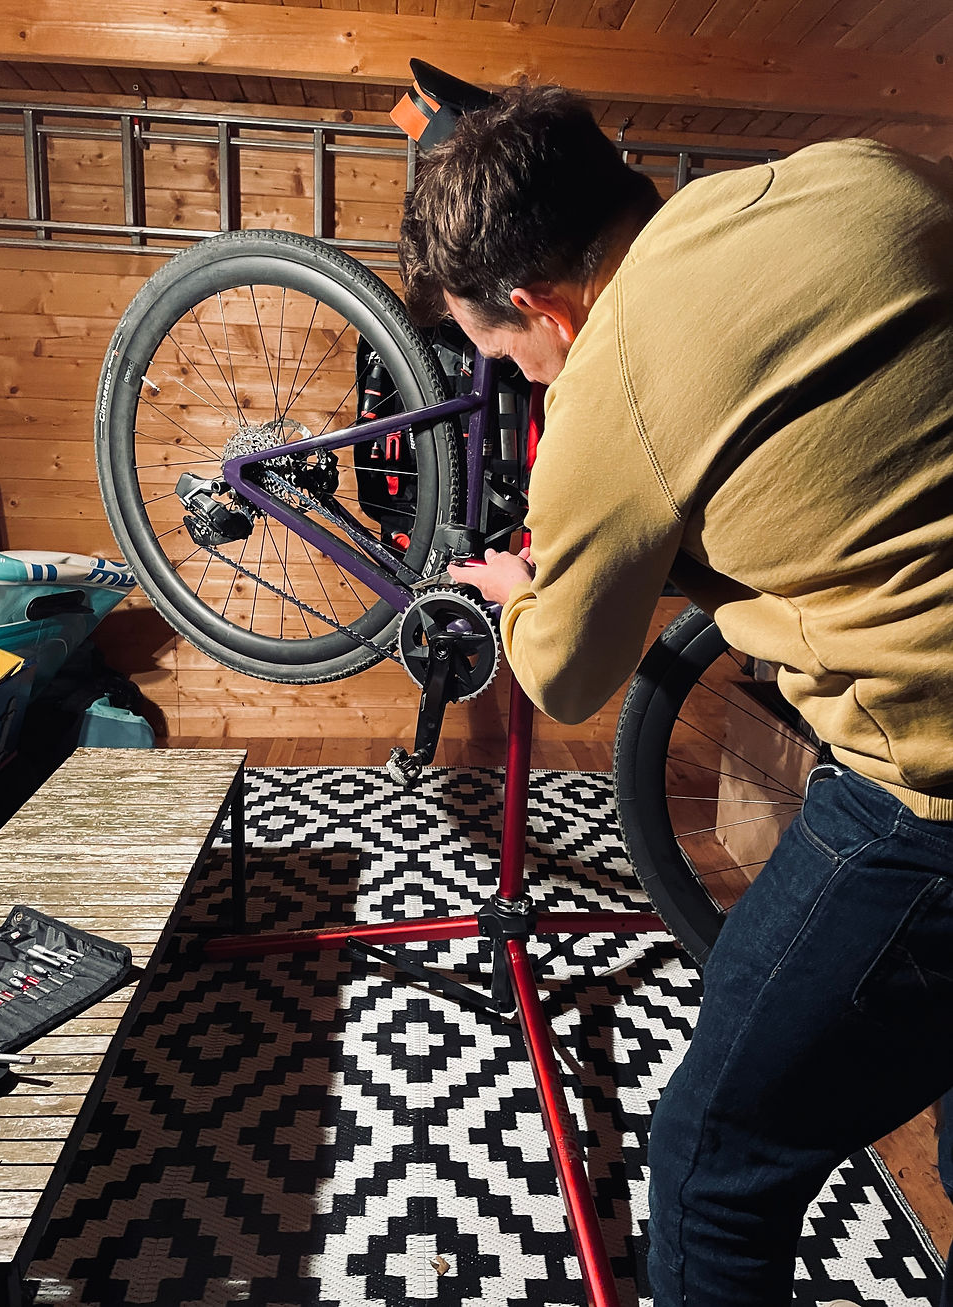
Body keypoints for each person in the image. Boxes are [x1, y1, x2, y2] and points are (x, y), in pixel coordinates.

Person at [399, 79, 953, 1307]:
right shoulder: (849, 166)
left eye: (505, 353)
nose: (522, 376)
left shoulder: (608, 382)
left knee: (709, 1158)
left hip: (934, 789)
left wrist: (521, 589)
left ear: (539, 306)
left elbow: (566, 672)